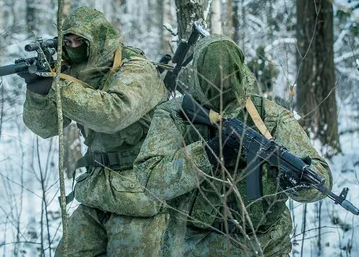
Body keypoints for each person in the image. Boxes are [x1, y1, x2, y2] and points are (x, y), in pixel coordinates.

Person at [134, 34, 333, 256]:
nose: (221, 84)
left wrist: (300, 183)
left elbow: (321, 177)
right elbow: (149, 179)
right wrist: (208, 153)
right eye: (211, 78)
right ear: (198, 74)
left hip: (266, 246)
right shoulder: (176, 115)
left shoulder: (270, 117)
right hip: (194, 245)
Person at [21, 7, 168, 256]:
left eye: (80, 41)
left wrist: (59, 88)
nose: (74, 46)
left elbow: (113, 113)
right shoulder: (75, 74)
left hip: (141, 193)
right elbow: (45, 128)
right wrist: (38, 92)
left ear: (100, 40)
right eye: (67, 42)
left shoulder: (136, 69)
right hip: (96, 191)